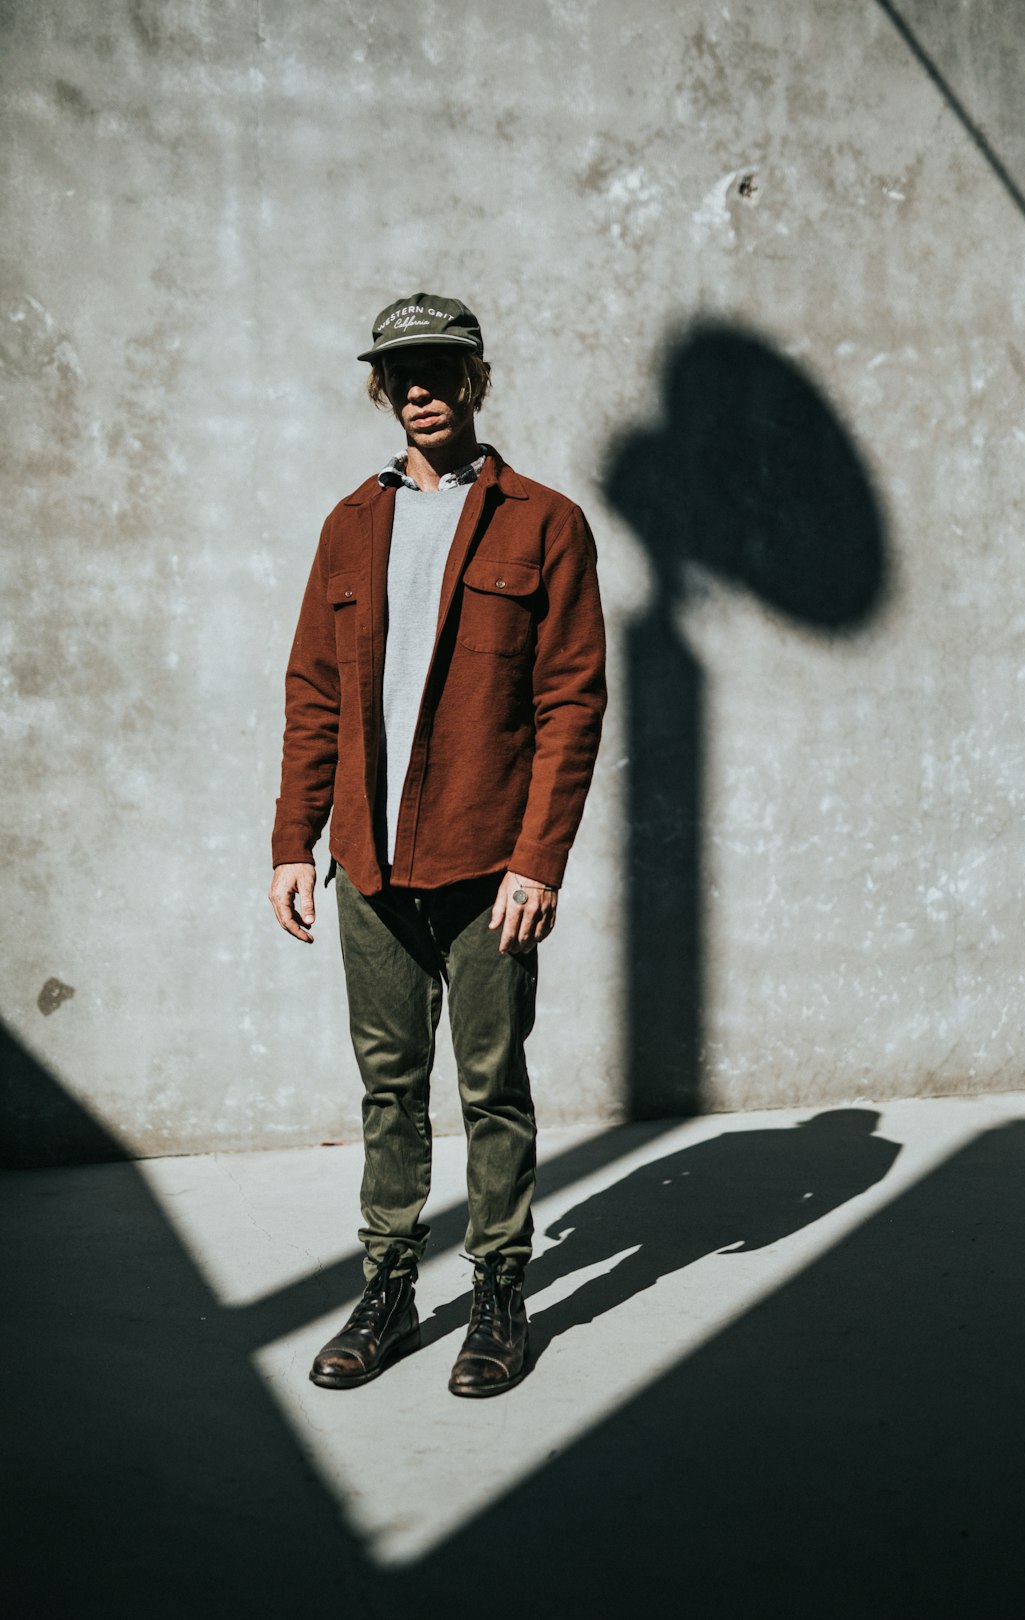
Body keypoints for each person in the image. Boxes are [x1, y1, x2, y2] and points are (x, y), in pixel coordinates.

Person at [268, 292, 606, 1397]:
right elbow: (314, 695)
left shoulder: (543, 521)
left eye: (440, 368)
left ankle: (501, 1292)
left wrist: (538, 859)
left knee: (492, 1083)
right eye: (400, 369)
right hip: (367, 861)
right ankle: (390, 1288)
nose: (419, 386)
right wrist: (292, 840)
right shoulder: (348, 527)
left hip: (485, 863)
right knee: (387, 1085)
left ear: (476, 379)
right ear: (379, 385)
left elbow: (572, 702)